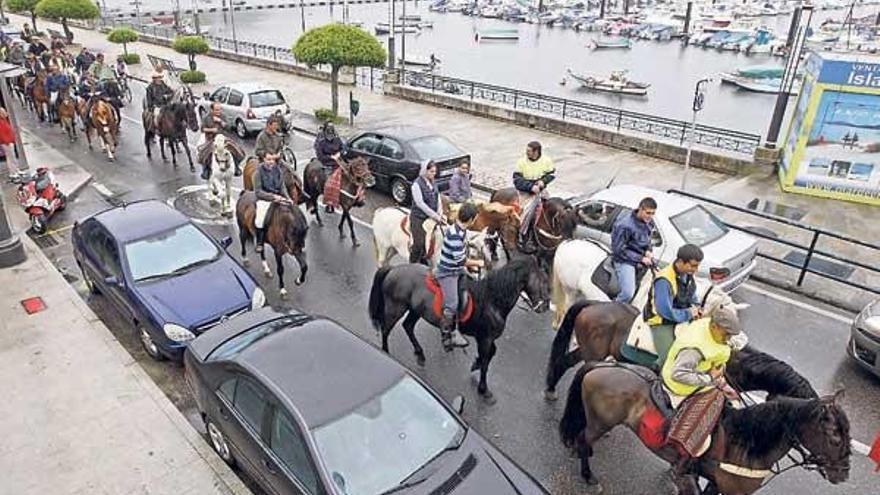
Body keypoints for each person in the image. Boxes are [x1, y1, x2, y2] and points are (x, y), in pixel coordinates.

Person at [661, 305, 742, 410]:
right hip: (681, 388)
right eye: (726, 334)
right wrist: (710, 378)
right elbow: (678, 374)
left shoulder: (708, 324)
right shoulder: (694, 350)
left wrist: (719, 379)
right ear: (714, 326)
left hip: (707, 377)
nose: (728, 339)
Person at [435, 202, 484, 351]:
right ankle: (447, 336)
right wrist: (478, 262)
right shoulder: (455, 235)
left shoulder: (460, 229)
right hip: (447, 272)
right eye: (475, 218)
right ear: (471, 220)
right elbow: (461, 260)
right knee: (452, 304)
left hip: (457, 269)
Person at [644, 244, 703, 328]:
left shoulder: (687, 273)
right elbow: (664, 312)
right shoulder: (664, 281)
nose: (696, 269)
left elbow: (692, 295)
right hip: (660, 322)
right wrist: (689, 313)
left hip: (681, 314)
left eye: (697, 266)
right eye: (693, 266)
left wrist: (697, 307)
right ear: (681, 261)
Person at [610, 197, 657, 303]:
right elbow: (618, 250)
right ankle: (613, 308)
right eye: (648, 213)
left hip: (642, 256)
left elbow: (647, 239)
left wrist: (648, 250)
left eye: (653, 213)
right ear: (640, 209)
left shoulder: (649, 222)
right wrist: (641, 258)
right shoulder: (624, 225)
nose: (650, 216)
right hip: (624, 260)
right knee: (628, 293)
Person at [512, 141, 555, 248]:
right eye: (527, 151)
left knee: (551, 207)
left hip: (540, 190)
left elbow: (551, 174)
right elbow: (517, 181)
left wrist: (543, 181)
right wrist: (530, 187)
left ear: (536, 152)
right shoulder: (521, 162)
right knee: (527, 212)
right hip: (526, 193)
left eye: (529, 151)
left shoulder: (546, 161)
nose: (527, 153)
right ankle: (521, 233)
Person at [252, 152, 291, 253]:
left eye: (273, 160)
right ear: (264, 159)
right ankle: (260, 242)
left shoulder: (277, 170)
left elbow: (282, 186)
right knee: (260, 220)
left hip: (278, 196)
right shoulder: (258, 173)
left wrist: (287, 198)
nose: (271, 162)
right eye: (268, 159)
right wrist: (272, 197)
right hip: (264, 199)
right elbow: (258, 191)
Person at [410, 160, 445, 265]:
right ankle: (413, 262)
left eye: (435, 172)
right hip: (419, 217)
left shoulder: (433, 182)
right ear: (425, 171)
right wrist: (435, 216)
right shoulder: (416, 185)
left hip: (433, 217)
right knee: (419, 243)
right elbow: (420, 204)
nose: (434, 174)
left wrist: (440, 212)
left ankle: (427, 257)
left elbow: (437, 196)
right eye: (432, 172)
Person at [0, 108, 25, 183]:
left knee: (13, 157)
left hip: (9, 141)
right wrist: (7, 141)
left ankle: (16, 170)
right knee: (10, 158)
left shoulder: (4, 121)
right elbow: (1, 134)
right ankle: (13, 173)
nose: (6, 113)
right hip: (6, 143)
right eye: (4, 112)